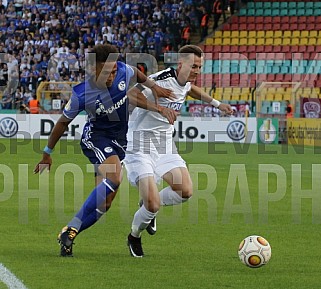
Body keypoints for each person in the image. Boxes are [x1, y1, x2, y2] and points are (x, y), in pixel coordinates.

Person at [33, 44, 177, 257]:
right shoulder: (81, 94)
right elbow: (62, 123)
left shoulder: (122, 71)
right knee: (115, 176)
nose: (111, 75)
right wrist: (47, 152)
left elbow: (136, 73)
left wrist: (153, 86)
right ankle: (71, 228)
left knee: (105, 203)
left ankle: (69, 233)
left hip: (120, 141)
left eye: (113, 70)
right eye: (106, 72)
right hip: (97, 138)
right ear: (93, 70)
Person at [124, 45, 233, 257]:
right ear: (181, 64)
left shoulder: (185, 82)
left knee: (185, 191)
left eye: (200, 67)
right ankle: (134, 236)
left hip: (165, 145)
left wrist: (217, 104)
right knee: (153, 204)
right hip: (140, 145)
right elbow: (130, 95)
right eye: (194, 66)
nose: (197, 71)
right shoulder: (160, 79)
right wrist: (159, 108)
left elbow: (189, 89)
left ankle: (147, 206)